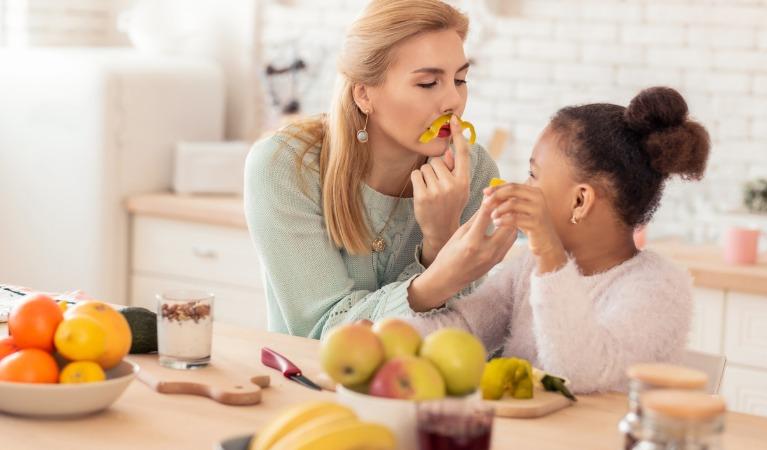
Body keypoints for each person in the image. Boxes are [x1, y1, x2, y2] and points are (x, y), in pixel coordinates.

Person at [409, 86, 711, 394]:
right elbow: (465, 327)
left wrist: (549, 252)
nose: (522, 185)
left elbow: (580, 374)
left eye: (533, 174)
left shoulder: (659, 288)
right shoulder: (528, 268)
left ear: (580, 201)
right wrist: (390, 334)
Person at [244, 0, 516, 339]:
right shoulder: (286, 166)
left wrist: (442, 237)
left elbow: (462, 333)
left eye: (460, 79)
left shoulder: (472, 173)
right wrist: (439, 266)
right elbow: (323, 332)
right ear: (364, 94)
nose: (453, 102)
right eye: (428, 83)